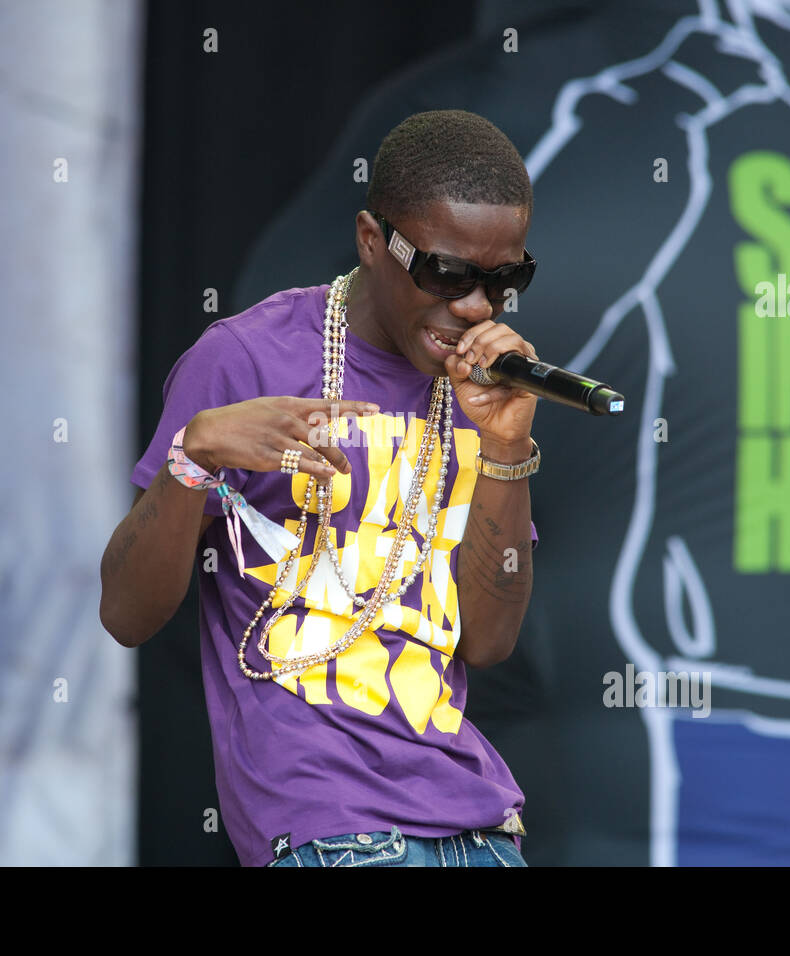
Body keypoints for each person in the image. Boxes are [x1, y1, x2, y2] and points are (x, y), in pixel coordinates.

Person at [99, 110, 543, 867]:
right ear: (372, 241)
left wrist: (505, 450)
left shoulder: (483, 396)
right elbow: (126, 614)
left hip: (480, 830)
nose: (476, 307)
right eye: (447, 273)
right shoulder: (243, 358)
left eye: (506, 281)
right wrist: (192, 456)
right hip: (330, 828)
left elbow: (488, 642)